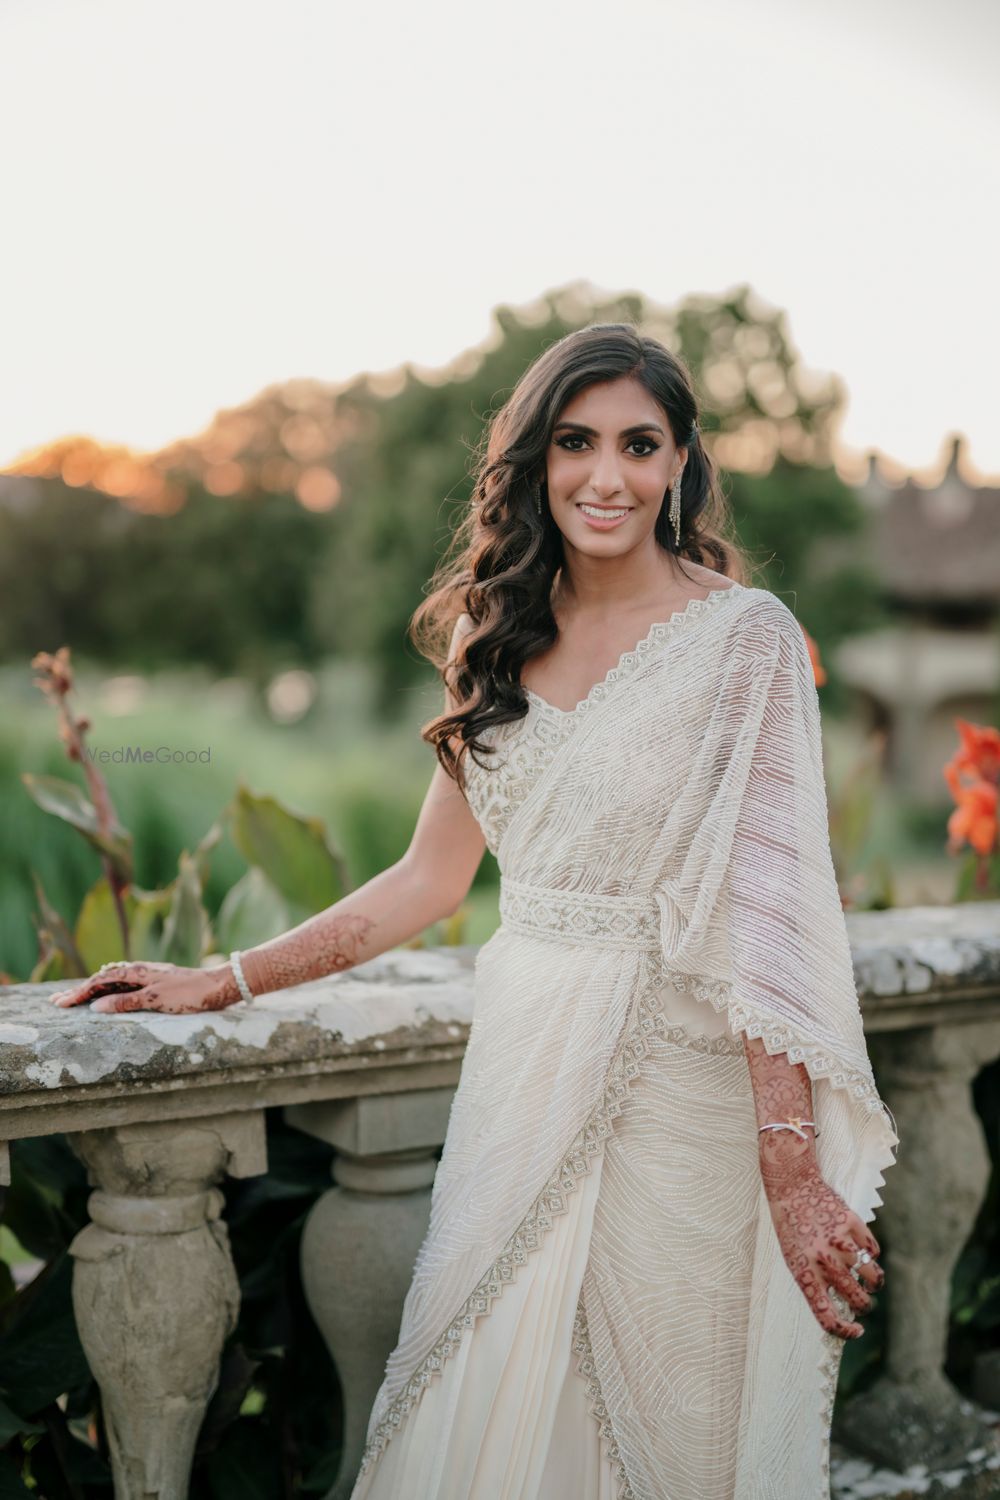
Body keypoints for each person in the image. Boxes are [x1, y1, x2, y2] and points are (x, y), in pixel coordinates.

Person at [52, 323, 899, 1500]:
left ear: (678, 465)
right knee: (476, 1378)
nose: (606, 475)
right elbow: (428, 880)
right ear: (535, 463)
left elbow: (765, 910)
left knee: (675, 1421)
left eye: (638, 445)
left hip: (684, 1095)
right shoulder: (491, 635)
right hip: (526, 1062)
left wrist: (791, 1163)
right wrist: (223, 979)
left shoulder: (743, 640)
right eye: (575, 442)